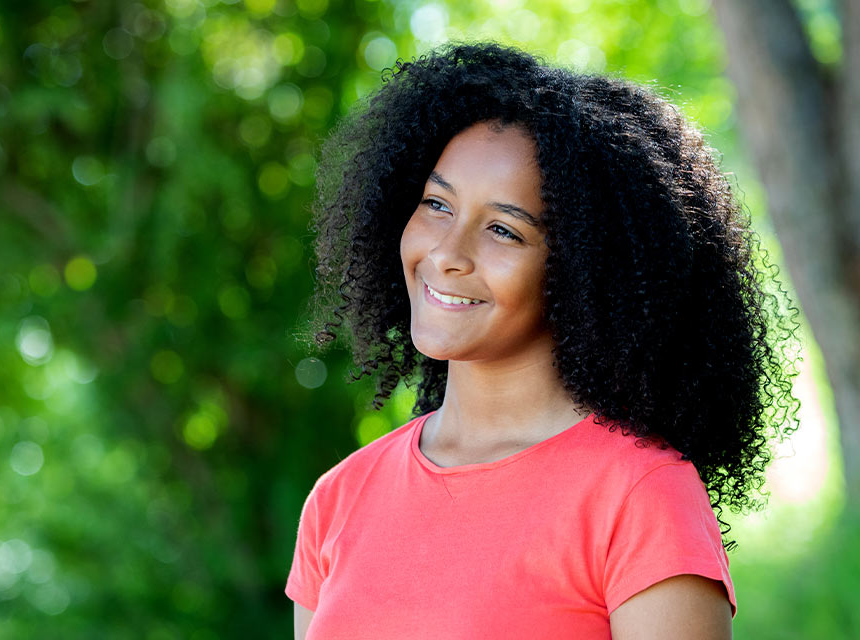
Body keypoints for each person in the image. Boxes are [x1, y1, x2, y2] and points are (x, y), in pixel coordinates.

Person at [286, 41, 799, 639]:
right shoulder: (340, 498)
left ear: (581, 271)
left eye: (503, 230)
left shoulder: (639, 496)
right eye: (436, 204)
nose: (447, 254)